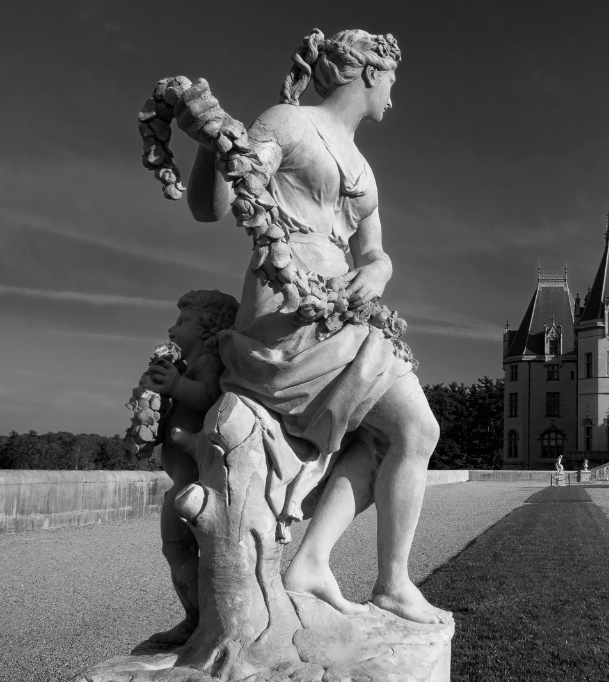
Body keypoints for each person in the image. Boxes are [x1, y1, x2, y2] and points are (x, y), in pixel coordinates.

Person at [178, 29, 448, 625]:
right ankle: (391, 583)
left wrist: (375, 275)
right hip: (288, 307)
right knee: (415, 431)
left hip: (344, 315)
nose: (394, 100)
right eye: (393, 84)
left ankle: (316, 563)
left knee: (397, 437)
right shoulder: (289, 123)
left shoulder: (363, 168)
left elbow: (375, 254)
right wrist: (210, 143)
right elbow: (215, 206)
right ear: (371, 73)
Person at [145, 289, 238, 644]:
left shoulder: (208, 363)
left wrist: (175, 385)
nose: (172, 329)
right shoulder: (187, 365)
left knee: (186, 549)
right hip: (181, 480)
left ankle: (202, 620)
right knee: (175, 549)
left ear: (207, 327)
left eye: (182, 322)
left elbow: (210, 398)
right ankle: (195, 618)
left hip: (197, 481)